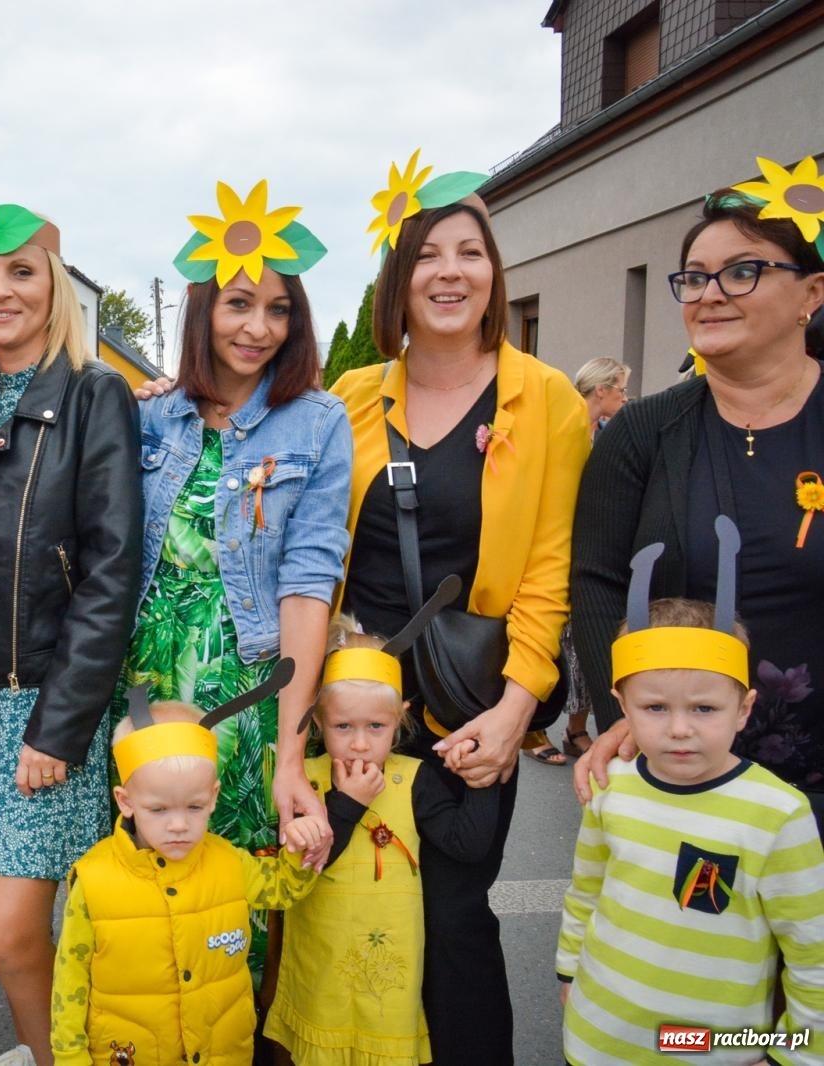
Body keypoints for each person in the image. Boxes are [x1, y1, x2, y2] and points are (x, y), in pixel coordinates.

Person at [330, 155, 589, 1065]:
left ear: (493, 274)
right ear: (396, 282)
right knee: (346, 914)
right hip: (353, 709)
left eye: (470, 252)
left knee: (453, 923)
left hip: (471, 712)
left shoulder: (548, 399)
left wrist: (518, 714)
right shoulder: (349, 401)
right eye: (427, 253)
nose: (450, 270)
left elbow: (548, 575)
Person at [0, 175, 142, 1066]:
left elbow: (110, 574)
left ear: (55, 287)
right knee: (15, 922)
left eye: (22, 273)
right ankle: (54, 1043)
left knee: (13, 932)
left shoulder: (95, 394)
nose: (0, 291)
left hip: (44, 706)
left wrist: (61, 723)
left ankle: (60, 1055)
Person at [123, 179, 352, 984]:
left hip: (248, 689)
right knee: (142, 893)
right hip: (143, 685)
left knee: (236, 904)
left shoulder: (319, 422)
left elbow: (309, 584)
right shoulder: (149, 415)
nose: (259, 327)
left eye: (279, 309)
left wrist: (291, 753)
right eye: (238, 305)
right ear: (201, 312)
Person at [571, 159, 824, 833]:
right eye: (694, 277)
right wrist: (626, 709)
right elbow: (596, 580)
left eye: (742, 271)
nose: (710, 293)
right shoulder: (642, 431)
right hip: (686, 775)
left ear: (813, 293)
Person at [558, 557, 824, 1064]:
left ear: (743, 708)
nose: (680, 729)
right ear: (622, 704)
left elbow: (813, 954)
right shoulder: (611, 786)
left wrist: (791, 1053)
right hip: (597, 1040)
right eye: (655, 708)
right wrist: (569, 976)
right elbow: (585, 892)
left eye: (704, 708)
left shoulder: (778, 814)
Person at [49, 683, 333, 1066]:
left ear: (213, 796)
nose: (179, 825)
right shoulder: (94, 879)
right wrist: (70, 1058)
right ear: (126, 801)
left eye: (195, 806)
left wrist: (301, 850)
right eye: (160, 810)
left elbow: (281, 890)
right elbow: (71, 981)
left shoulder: (230, 862)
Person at [262, 617, 501, 1066]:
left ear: (400, 717)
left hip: (389, 975)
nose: (358, 744)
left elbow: (466, 845)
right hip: (321, 966)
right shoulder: (303, 782)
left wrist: (481, 778)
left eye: (375, 726)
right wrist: (347, 803)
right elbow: (314, 862)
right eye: (343, 727)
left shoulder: (413, 780)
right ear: (318, 720)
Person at [535, 359, 630, 768]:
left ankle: (576, 730)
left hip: (591, 552)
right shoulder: (558, 429)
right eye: (621, 389)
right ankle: (531, 731)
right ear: (602, 390)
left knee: (584, 646)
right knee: (543, 642)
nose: (626, 397)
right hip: (554, 550)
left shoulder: (610, 436)